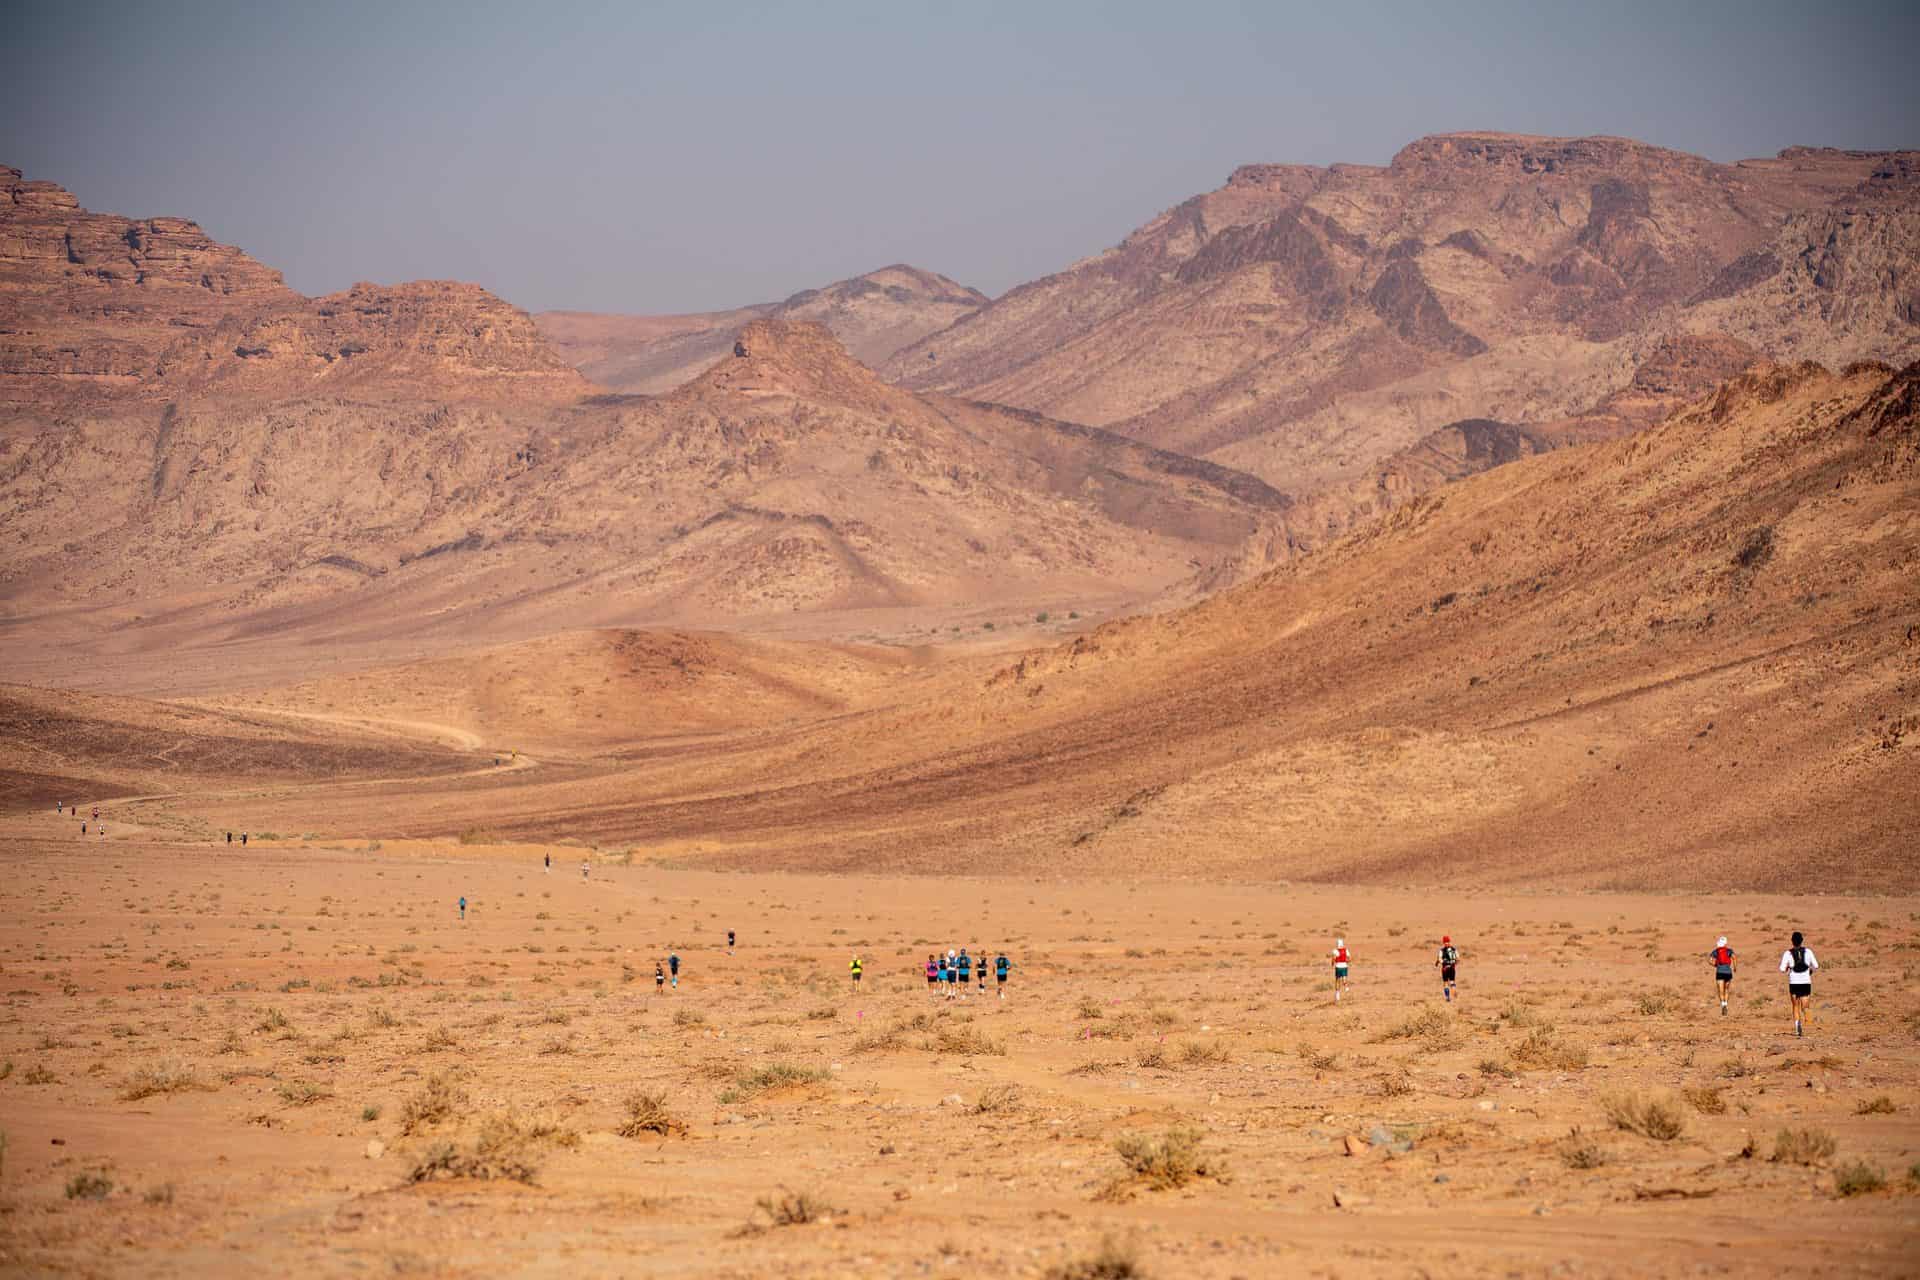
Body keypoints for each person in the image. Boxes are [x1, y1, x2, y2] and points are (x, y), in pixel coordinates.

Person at [1780, 931, 1817, 1037]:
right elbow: (1816, 965)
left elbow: (1782, 969)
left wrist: (1788, 968)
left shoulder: (1787, 953)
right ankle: (1807, 1017)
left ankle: (1797, 1027)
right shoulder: (1808, 951)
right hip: (1805, 981)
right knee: (1805, 1006)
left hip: (1794, 982)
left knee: (1795, 1006)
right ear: (1802, 941)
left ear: (1792, 941)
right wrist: (1810, 970)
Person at [1708, 936, 1736, 1015]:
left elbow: (1709, 960)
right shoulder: (1729, 951)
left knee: (1720, 990)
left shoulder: (1716, 951)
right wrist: (1735, 967)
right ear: (1725, 943)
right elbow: (1734, 958)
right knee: (1726, 989)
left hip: (1719, 972)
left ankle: (1723, 1005)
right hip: (1728, 972)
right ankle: (1726, 1005)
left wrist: (1715, 965)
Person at [1436, 935, 1459, 1002]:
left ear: (1443, 942)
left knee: (1445, 983)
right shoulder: (1454, 949)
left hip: (1445, 969)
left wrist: (1441, 962)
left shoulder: (1442, 950)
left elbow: (1440, 959)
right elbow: (1458, 958)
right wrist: (1454, 963)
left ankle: (1447, 997)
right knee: (1452, 981)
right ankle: (1454, 990)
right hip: (1452, 967)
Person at [1330, 937, 1351, 1003]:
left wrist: (1332, 964)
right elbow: (1349, 959)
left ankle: (1337, 995)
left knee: (1337, 981)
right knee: (1344, 978)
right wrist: (1346, 962)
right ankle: (1346, 986)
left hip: (1338, 966)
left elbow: (1333, 959)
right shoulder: (1346, 950)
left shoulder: (1335, 951)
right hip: (1344, 966)